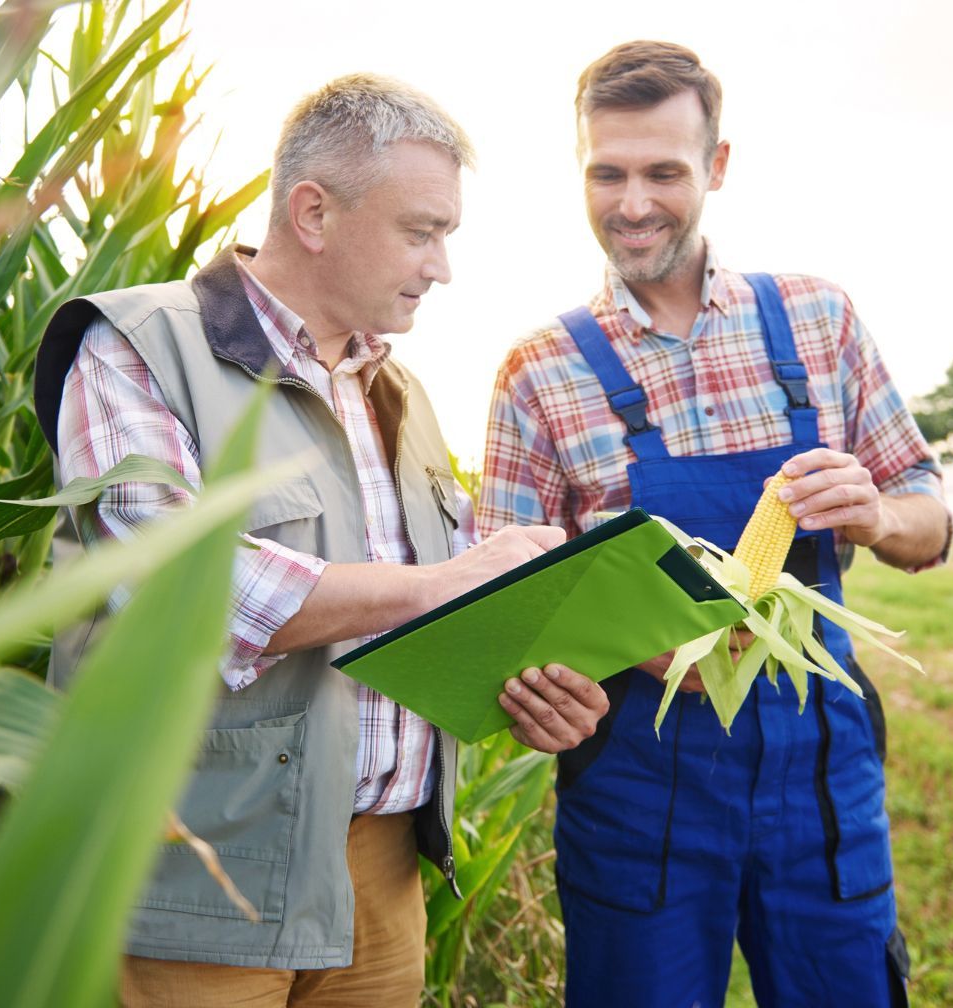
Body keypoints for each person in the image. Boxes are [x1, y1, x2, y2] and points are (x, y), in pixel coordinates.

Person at [32, 74, 610, 1008]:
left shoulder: (401, 395)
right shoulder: (137, 348)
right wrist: (440, 585)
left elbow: (452, 617)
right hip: (195, 872)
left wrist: (538, 689)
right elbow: (176, 588)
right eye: (422, 231)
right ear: (313, 213)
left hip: (381, 881)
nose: (441, 267)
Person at [477, 41, 953, 1008]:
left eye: (665, 171)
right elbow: (504, 596)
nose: (633, 202)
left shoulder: (818, 320)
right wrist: (588, 653)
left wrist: (871, 514)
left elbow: (932, 522)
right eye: (606, 173)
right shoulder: (538, 370)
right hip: (636, 783)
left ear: (719, 168)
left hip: (818, 768)